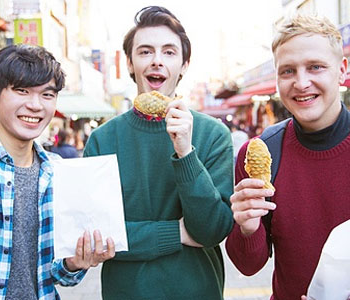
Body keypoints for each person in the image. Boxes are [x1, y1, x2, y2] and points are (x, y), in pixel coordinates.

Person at [83, 6, 234, 300]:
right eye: (144, 52)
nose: (156, 61)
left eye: (168, 52)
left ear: (184, 63)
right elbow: (99, 235)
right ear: (129, 63)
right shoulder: (103, 140)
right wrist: (175, 233)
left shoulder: (214, 135)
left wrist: (186, 151)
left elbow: (211, 231)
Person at [0, 44, 115, 299]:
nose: (35, 105)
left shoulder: (58, 172)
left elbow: (55, 274)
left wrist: (74, 263)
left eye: (47, 95)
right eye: (21, 91)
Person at [225, 14, 349, 300]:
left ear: (341, 70)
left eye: (315, 67)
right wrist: (246, 226)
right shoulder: (260, 152)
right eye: (288, 71)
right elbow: (248, 266)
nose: (301, 83)